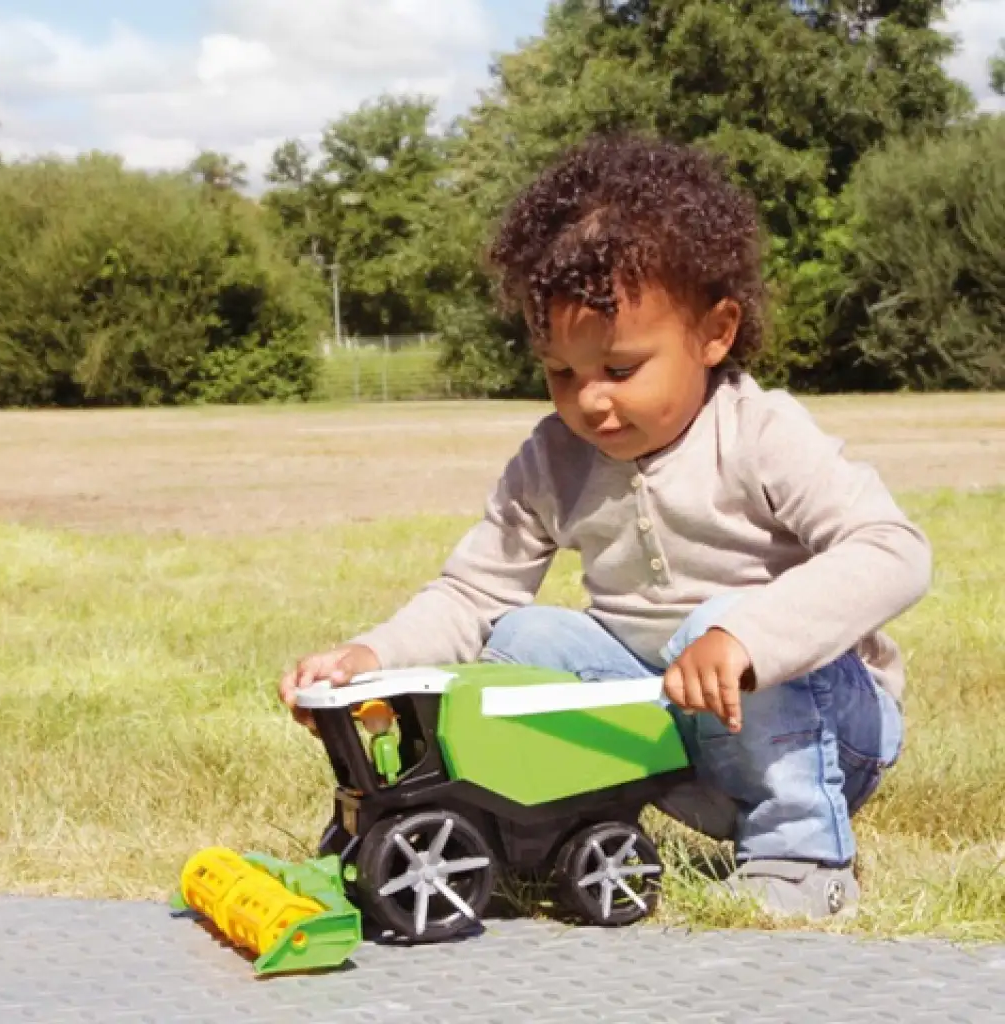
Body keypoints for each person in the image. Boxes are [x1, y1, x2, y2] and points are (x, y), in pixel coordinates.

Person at [279, 134, 932, 920]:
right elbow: (471, 593)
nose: (590, 401)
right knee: (523, 637)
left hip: (823, 734)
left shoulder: (758, 432)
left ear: (714, 333)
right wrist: (371, 659)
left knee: (719, 618)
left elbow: (894, 551)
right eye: (563, 373)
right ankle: (544, 828)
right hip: (672, 733)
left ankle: (803, 856)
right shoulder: (555, 458)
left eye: (620, 370)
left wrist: (747, 640)